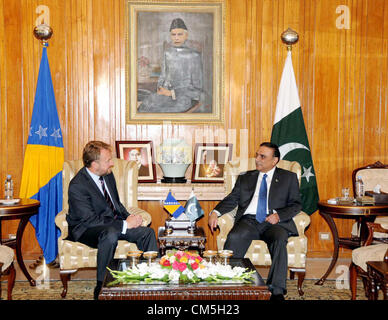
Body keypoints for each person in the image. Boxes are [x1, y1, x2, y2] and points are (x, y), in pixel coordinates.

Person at [208, 142, 302, 301]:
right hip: (249, 220)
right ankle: (230, 283)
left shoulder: (288, 177)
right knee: (234, 237)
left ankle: (277, 290)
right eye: (257, 155)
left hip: (274, 222)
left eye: (262, 156)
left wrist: (279, 215)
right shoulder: (246, 177)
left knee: (280, 239)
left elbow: (296, 204)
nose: (257, 159)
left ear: (274, 160)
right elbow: (232, 199)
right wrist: (215, 212)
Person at [66, 141, 158, 299]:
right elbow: (90, 220)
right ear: (95, 164)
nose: (112, 163)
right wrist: (124, 224)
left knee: (147, 233)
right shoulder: (78, 185)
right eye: (108, 160)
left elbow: (116, 204)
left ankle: (147, 279)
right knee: (110, 234)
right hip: (86, 229)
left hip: (113, 225)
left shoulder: (107, 175)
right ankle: (102, 287)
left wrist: (128, 216)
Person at [138, 17, 203, 113]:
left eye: (180, 34)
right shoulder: (167, 53)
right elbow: (163, 76)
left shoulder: (194, 56)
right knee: (144, 107)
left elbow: (197, 90)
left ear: (186, 35)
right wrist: (160, 88)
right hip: (163, 95)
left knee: (154, 111)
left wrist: (172, 93)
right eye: (173, 34)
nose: (176, 38)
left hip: (183, 99)